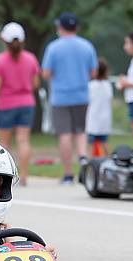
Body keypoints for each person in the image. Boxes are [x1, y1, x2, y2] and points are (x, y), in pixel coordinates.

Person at [42, 12, 97, 184]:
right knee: (80, 132)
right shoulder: (87, 46)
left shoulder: (53, 47)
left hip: (60, 97)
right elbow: (93, 73)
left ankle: (67, 174)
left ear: (60, 27)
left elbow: (46, 73)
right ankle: (82, 158)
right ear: (76, 27)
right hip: (81, 95)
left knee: (64, 134)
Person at [0, 22, 40, 187]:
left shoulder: (0, 60)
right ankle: (24, 176)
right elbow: (36, 83)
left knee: (4, 143)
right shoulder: (31, 59)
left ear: (4, 40)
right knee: (23, 140)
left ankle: (6, 177)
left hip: (6, 103)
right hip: (26, 103)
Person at [86, 58, 113, 157]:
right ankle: (109, 161)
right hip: (105, 119)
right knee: (104, 143)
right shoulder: (107, 85)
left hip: (93, 119)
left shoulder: (90, 86)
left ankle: (89, 163)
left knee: (90, 145)